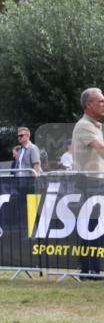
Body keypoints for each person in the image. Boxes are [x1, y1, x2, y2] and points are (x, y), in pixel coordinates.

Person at [72, 87, 104, 277]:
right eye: (100, 101)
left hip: (96, 182)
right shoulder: (84, 125)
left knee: (94, 226)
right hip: (89, 183)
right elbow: (100, 148)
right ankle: (89, 270)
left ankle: (92, 269)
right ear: (88, 105)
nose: (103, 104)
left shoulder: (95, 125)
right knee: (90, 227)